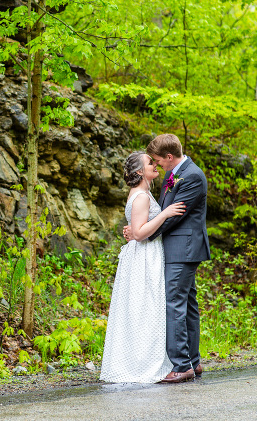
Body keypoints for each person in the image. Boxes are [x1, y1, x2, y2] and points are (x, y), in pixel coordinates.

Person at [125, 134, 211, 384]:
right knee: (188, 305)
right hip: (174, 248)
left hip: (183, 249)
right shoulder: (173, 175)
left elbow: (174, 216)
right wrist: (138, 229)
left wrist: (141, 234)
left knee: (174, 304)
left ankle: (181, 365)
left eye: (158, 160)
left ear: (170, 157)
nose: (157, 164)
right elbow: (163, 211)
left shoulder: (192, 176)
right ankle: (193, 361)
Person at [99, 151, 186, 383]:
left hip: (147, 254)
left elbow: (135, 228)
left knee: (143, 309)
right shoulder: (141, 197)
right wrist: (166, 213)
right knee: (144, 309)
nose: (155, 164)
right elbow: (138, 233)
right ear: (139, 171)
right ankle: (141, 364)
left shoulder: (143, 193)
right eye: (150, 163)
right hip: (144, 257)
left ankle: (142, 359)